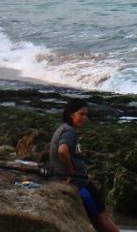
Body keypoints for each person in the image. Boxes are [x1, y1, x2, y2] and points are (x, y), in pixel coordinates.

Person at [50, 98, 120, 232]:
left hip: (81, 180)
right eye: (81, 114)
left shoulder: (65, 129)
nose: (85, 117)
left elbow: (71, 152)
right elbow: (62, 150)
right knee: (102, 217)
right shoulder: (69, 131)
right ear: (71, 114)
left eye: (86, 114)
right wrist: (70, 171)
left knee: (99, 218)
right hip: (79, 183)